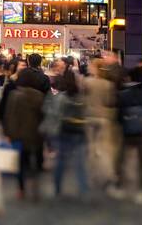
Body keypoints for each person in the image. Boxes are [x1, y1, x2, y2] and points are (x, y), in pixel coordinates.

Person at [108, 67, 142, 204]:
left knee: (122, 160)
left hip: (126, 132)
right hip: (141, 132)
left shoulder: (122, 94)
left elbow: (118, 114)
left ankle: (120, 187)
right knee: (141, 163)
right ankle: (141, 191)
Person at [3, 69, 46, 200]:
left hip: (18, 135)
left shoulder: (15, 95)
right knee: (35, 162)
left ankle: (21, 189)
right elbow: (42, 115)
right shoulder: (39, 95)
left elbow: (9, 115)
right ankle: (35, 186)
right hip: (35, 133)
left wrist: (8, 133)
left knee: (21, 164)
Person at [53, 64, 90, 199]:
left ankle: (57, 188)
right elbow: (86, 113)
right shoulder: (81, 96)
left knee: (60, 162)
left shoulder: (61, 97)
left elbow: (56, 115)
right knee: (80, 163)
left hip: (64, 132)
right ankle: (83, 189)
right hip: (79, 132)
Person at [83, 59, 117, 186]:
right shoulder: (108, 84)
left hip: (89, 116)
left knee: (91, 148)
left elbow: (83, 99)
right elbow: (110, 101)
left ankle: (91, 176)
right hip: (104, 117)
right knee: (104, 148)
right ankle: (108, 175)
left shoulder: (86, 82)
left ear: (95, 68)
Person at [0, 59, 27, 124]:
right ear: (16, 67)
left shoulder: (28, 80)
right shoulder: (11, 81)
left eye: (25, 65)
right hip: (12, 116)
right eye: (22, 65)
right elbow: (5, 101)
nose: (24, 67)